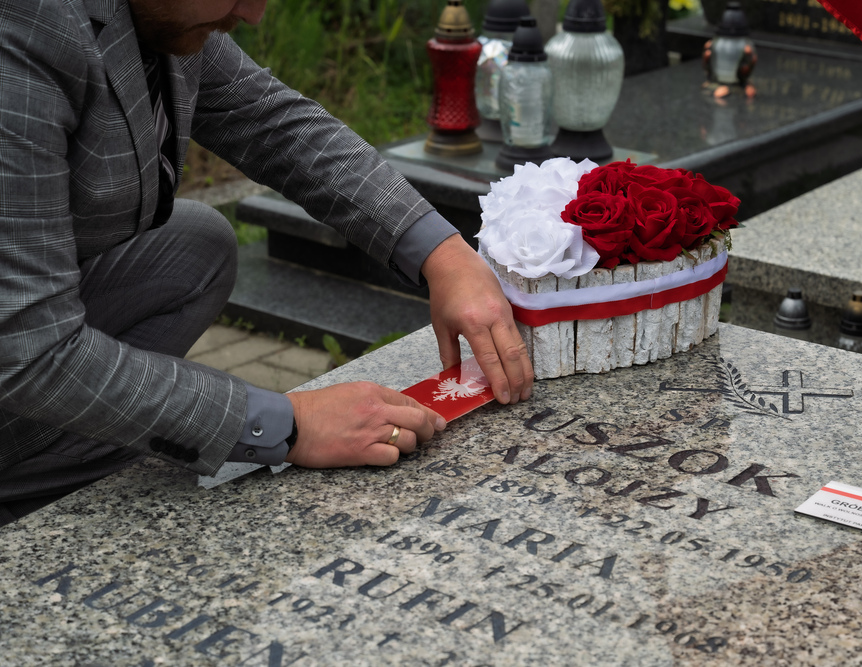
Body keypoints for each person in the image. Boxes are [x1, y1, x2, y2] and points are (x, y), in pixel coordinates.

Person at [0, 0, 533, 525]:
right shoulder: (25, 26)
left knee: (193, 246)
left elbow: (273, 122)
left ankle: (55, 454)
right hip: (19, 341)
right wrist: (290, 424)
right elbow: (29, 345)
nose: (254, 14)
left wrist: (445, 255)